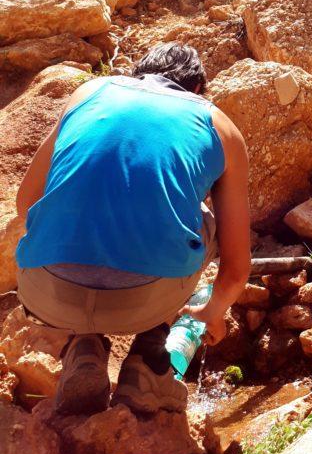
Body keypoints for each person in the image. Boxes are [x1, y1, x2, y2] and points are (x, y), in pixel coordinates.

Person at [14, 42, 251, 416]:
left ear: (134, 75)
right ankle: (149, 363)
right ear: (198, 91)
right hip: (145, 299)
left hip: (46, 293)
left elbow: (25, 202)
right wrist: (213, 310)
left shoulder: (91, 92)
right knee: (202, 218)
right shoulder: (218, 125)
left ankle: (84, 349)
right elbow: (237, 270)